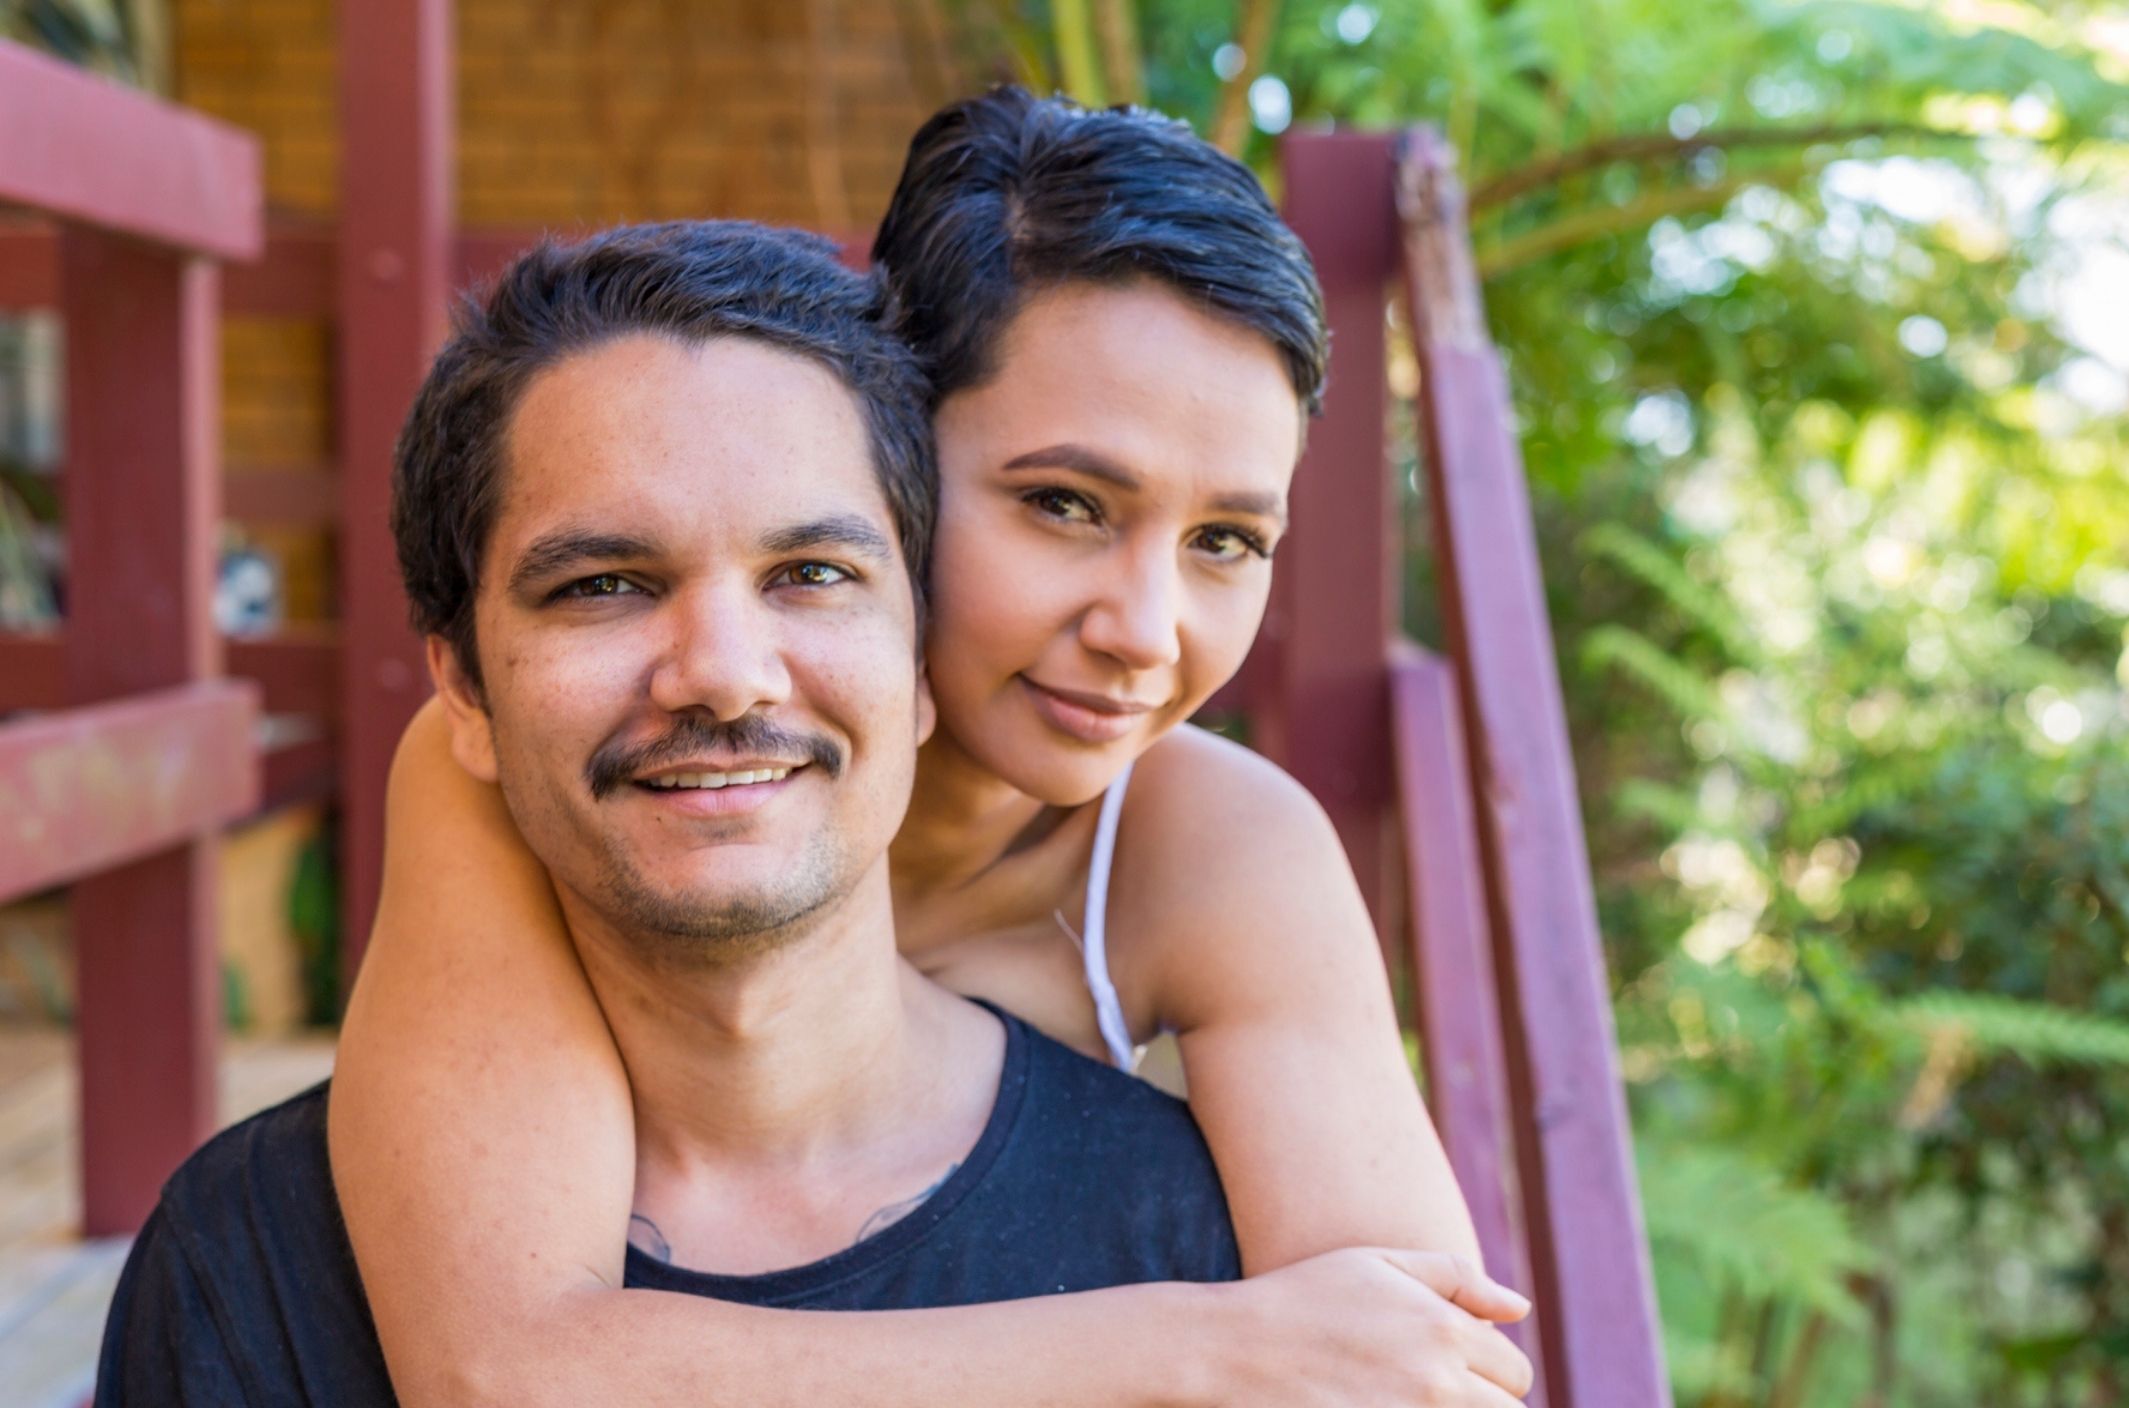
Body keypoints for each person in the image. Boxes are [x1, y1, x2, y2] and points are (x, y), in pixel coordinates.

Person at [331, 90, 1537, 1407]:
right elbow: (498, 1365)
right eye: (1062, 504)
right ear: (880, 456)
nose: (1143, 630)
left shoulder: (1211, 848)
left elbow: (1410, 1362)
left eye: (1226, 542)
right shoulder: (565, 766)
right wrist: (1195, 1347)